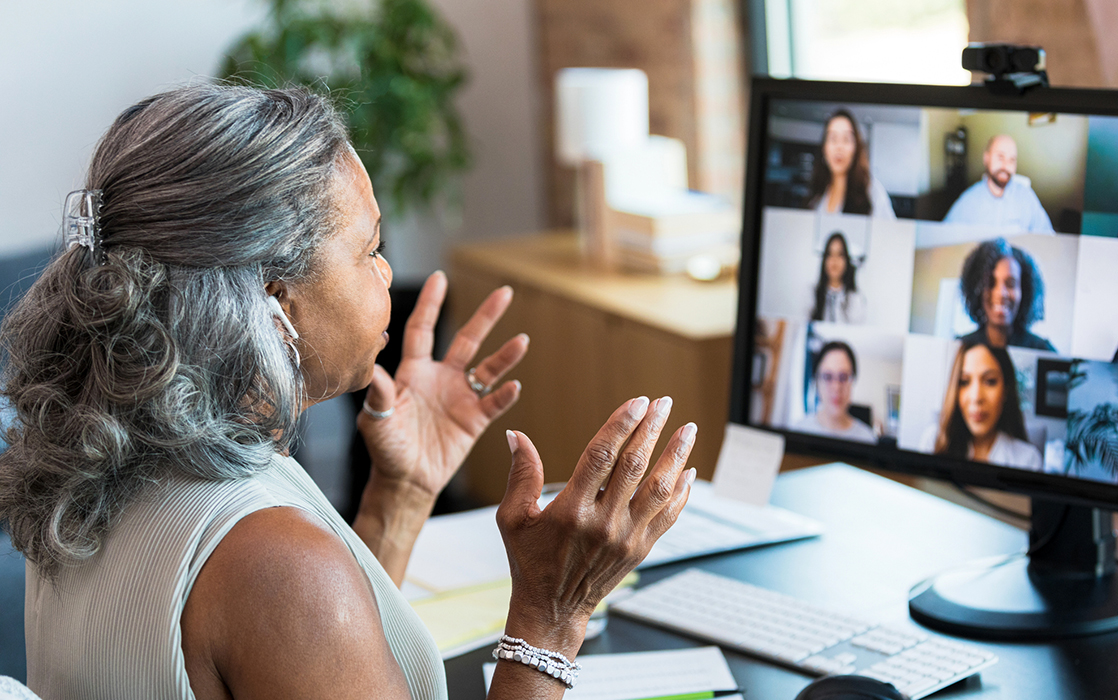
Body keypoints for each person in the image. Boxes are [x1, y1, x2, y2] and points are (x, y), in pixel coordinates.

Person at [0, 84, 697, 700]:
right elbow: (290, 604)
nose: (387, 271)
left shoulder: (99, 469)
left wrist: (402, 495)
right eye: (367, 249)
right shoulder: (273, 561)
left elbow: (296, 660)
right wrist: (552, 616)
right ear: (275, 301)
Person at [920, 339, 1042, 470]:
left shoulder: (1028, 460)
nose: (976, 397)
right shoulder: (933, 442)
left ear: (1006, 389)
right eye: (964, 382)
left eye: (990, 381)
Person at [958, 238, 1055, 352]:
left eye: (1011, 284)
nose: (1001, 293)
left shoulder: (1042, 350)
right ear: (977, 289)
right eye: (991, 283)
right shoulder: (962, 346)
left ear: (1024, 291)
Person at [942, 134, 1054, 232]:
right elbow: (945, 238)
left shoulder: (1027, 197)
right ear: (986, 158)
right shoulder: (968, 201)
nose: (1006, 166)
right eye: (1000, 157)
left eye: (1012, 160)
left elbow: (1047, 236)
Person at [805, 109, 896, 219]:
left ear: (856, 148)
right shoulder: (817, 194)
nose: (839, 146)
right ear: (824, 149)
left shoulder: (872, 192)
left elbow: (889, 233)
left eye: (846, 139)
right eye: (833, 138)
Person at [793, 341, 876, 443]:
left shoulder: (867, 438)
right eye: (828, 377)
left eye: (843, 377)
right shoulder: (799, 431)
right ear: (816, 381)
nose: (836, 387)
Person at [811, 232, 866, 324]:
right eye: (830, 254)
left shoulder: (856, 298)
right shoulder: (812, 293)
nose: (834, 260)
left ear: (846, 261)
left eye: (840, 254)